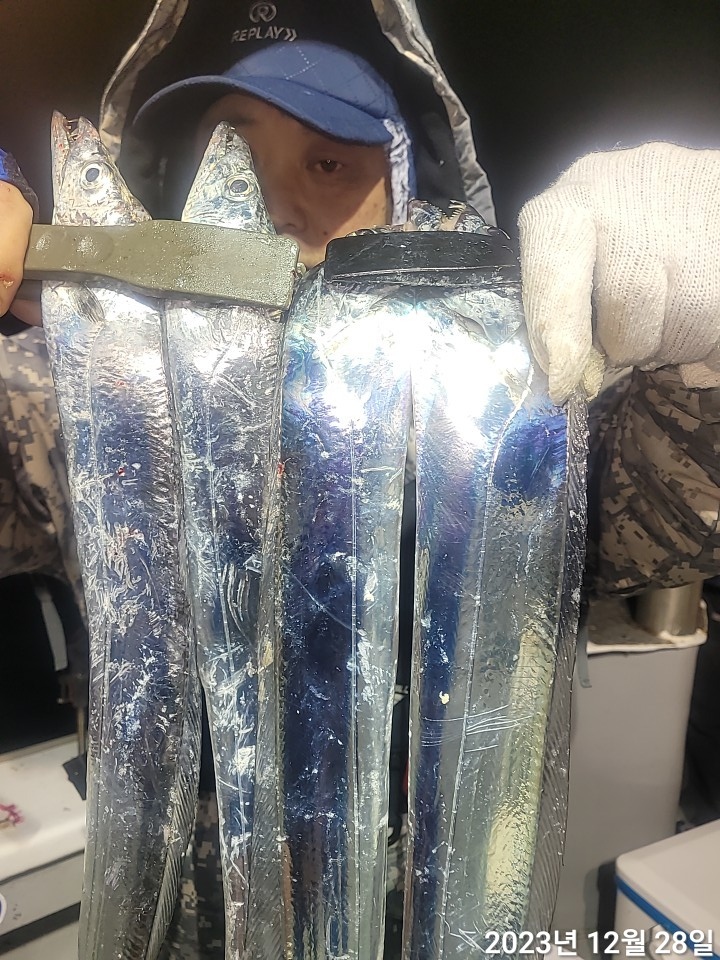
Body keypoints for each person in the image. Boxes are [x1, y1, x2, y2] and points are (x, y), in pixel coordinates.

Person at [1, 2, 720, 957]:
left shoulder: (514, 401)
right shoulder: (73, 395)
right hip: (184, 919)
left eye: (330, 163)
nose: (274, 209)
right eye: (229, 163)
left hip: (419, 901)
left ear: (407, 196)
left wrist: (702, 355)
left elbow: (679, 508)